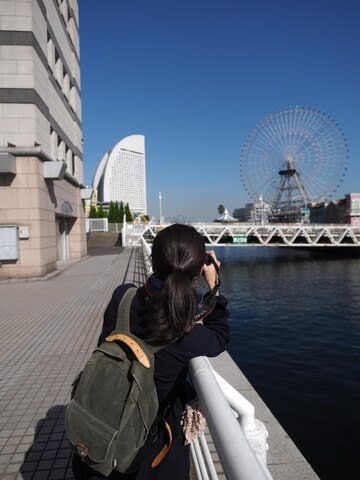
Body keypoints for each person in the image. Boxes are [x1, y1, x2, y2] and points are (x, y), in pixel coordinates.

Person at [72, 224, 230, 479]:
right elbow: (220, 337)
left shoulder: (122, 296)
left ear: (153, 261)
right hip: (146, 451)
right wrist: (215, 289)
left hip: (97, 432)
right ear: (199, 271)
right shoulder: (186, 334)